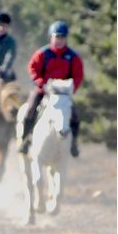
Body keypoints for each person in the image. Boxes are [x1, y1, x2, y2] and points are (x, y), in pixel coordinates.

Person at [18, 20, 84, 156]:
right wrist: (41, 83)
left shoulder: (72, 57)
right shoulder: (43, 53)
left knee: (75, 116)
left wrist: (71, 88)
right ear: (51, 37)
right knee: (30, 110)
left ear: (66, 39)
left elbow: (78, 76)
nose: (59, 40)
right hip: (43, 91)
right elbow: (33, 69)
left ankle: (73, 144)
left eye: (62, 37)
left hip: (63, 95)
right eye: (57, 37)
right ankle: (25, 140)